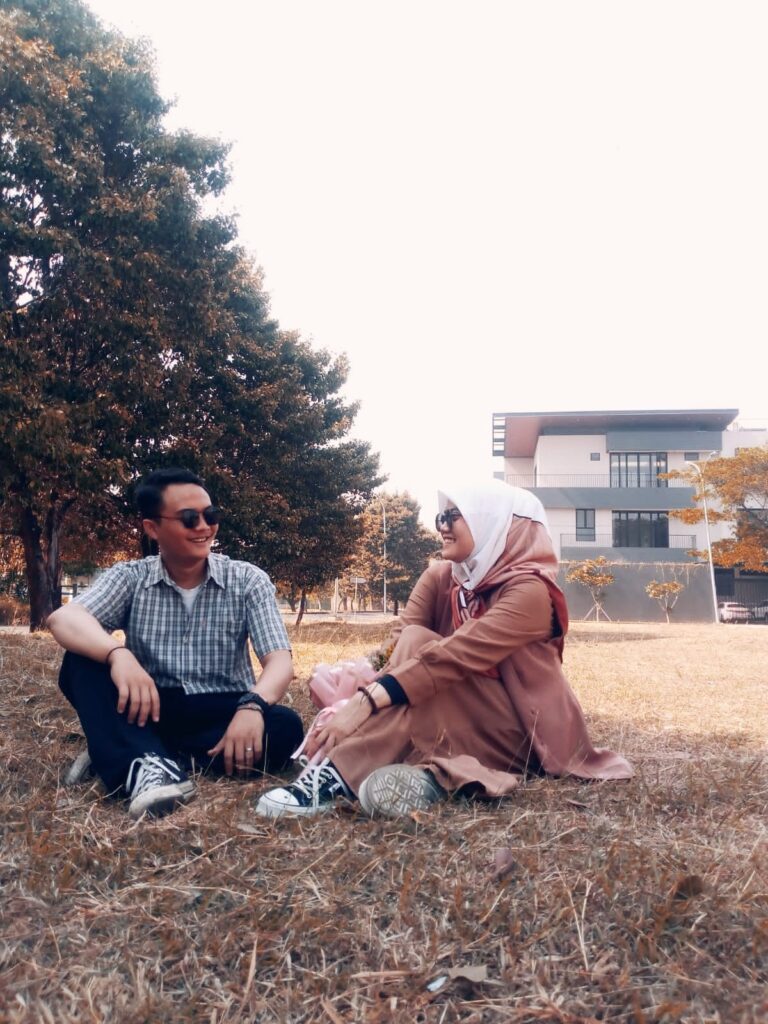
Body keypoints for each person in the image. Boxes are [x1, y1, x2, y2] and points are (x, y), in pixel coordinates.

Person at [255, 479, 632, 819]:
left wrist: (366, 703)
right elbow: (396, 645)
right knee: (414, 644)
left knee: (422, 656)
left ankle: (337, 775)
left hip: (520, 731)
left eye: (454, 516)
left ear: (493, 524)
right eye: (441, 517)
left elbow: (456, 656)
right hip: (452, 715)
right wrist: (357, 684)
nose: (442, 526)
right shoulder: (443, 577)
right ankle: (430, 781)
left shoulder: (530, 591)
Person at [48, 468, 302, 819]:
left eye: (210, 515)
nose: (204, 527)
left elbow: (280, 662)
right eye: (189, 518)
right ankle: (138, 757)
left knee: (285, 728)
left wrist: (253, 706)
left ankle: (124, 750)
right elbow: (64, 619)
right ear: (152, 528)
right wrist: (118, 655)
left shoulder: (247, 580)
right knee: (81, 661)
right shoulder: (131, 577)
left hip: (221, 708)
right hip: (148, 705)